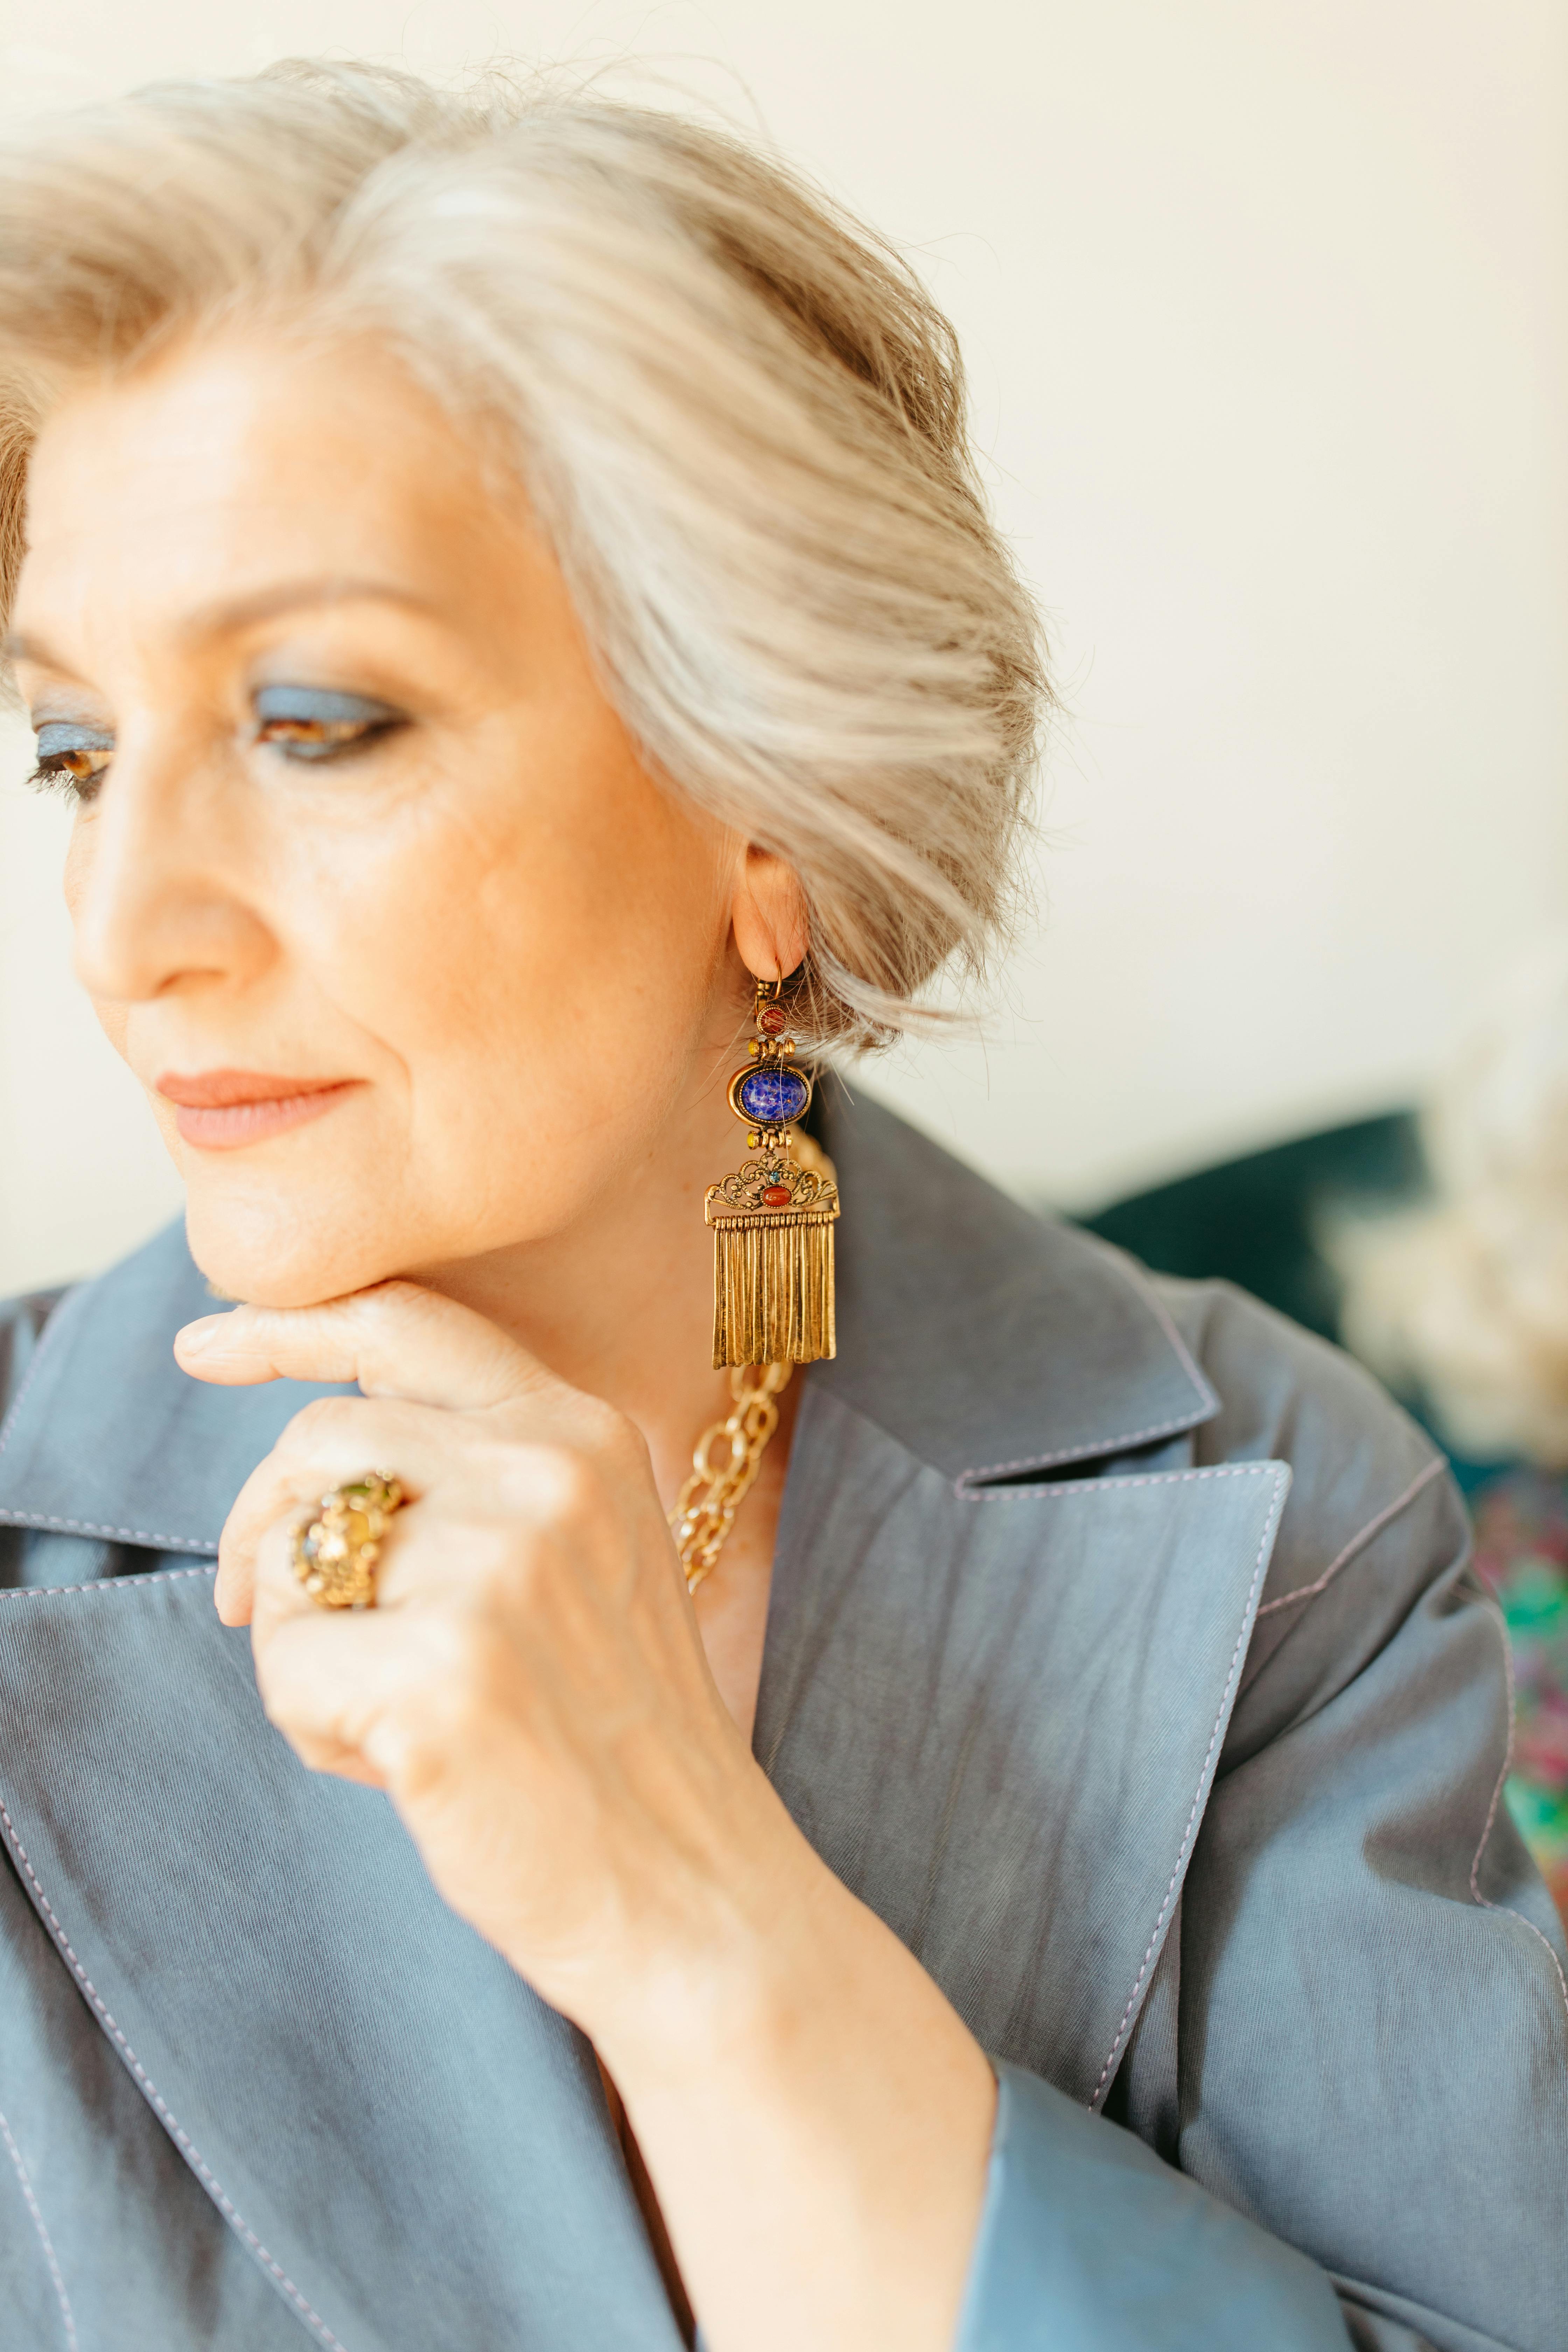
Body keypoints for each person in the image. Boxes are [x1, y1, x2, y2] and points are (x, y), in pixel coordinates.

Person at [0, 60, 1560, 2352]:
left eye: (318, 721)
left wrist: (686, 1907)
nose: (130, 923)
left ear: (772, 806)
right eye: (71, 750)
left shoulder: (1284, 1521)